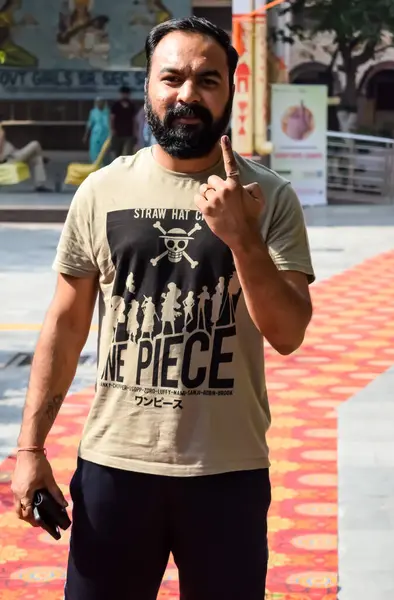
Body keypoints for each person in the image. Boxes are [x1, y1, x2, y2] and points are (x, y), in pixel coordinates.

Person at [11, 16, 315, 600]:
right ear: (148, 85)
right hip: (114, 466)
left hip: (228, 472)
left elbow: (288, 331)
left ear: (231, 89)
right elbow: (65, 325)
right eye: (171, 78)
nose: (187, 95)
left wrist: (242, 238)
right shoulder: (101, 191)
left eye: (207, 80)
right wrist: (29, 449)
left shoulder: (269, 198)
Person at [0, 120, 51, 191]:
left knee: (37, 159)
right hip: (11, 157)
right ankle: (42, 157)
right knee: (35, 144)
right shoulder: (1, 132)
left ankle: (39, 185)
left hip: (14, 154)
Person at [110, 85, 136, 157]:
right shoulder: (116, 105)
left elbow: (133, 119)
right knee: (117, 154)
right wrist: (112, 129)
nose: (125, 95)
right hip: (118, 133)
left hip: (129, 133)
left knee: (128, 153)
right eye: (123, 94)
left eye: (126, 94)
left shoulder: (131, 105)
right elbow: (112, 118)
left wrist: (134, 132)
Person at [83, 96, 110, 163]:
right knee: (95, 151)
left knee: (105, 152)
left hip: (105, 135)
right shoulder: (93, 112)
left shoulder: (107, 112)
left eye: (101, 102)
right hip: (95, 135)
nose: (99, 104)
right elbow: (89, 124)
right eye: (98, 102)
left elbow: (110, 124)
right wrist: (85, 136)